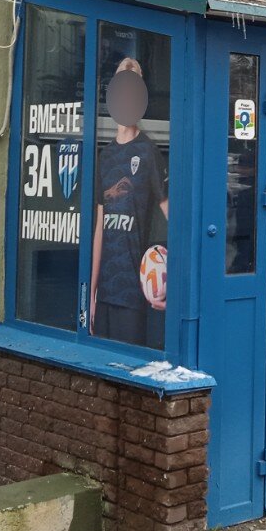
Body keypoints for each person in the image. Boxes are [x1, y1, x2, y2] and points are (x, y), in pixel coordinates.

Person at [90, 57, 169, 348]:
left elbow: (172, 216)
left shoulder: (148, 152)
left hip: (135, 291)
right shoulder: (105, 156)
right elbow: (100, 229)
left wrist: (169, 280)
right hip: (106, 292)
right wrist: (92, 293)